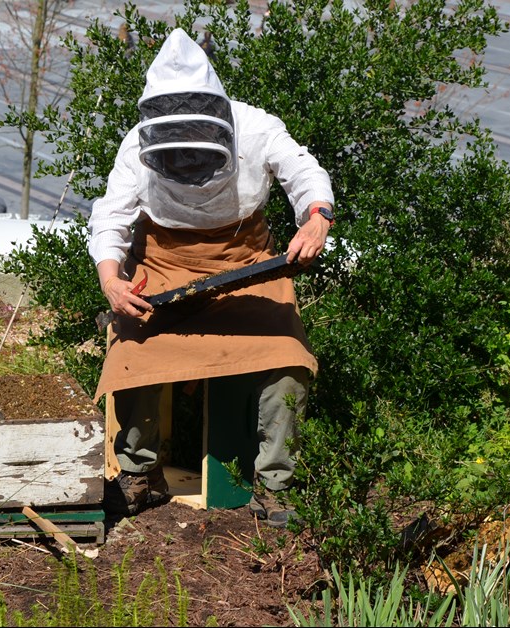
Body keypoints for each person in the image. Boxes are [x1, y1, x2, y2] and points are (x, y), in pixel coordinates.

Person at [89, 29, 334, 525]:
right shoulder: (134, 147)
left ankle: (275, 483)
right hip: (163, 267)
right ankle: (141, 473)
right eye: (176, 153)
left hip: (249, 266)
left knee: (286, 360)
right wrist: (112, 282)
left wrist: (317, 216)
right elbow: (110, 219)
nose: (187, 162)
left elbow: (303, 171)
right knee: (133, 354)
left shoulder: (257, 127)